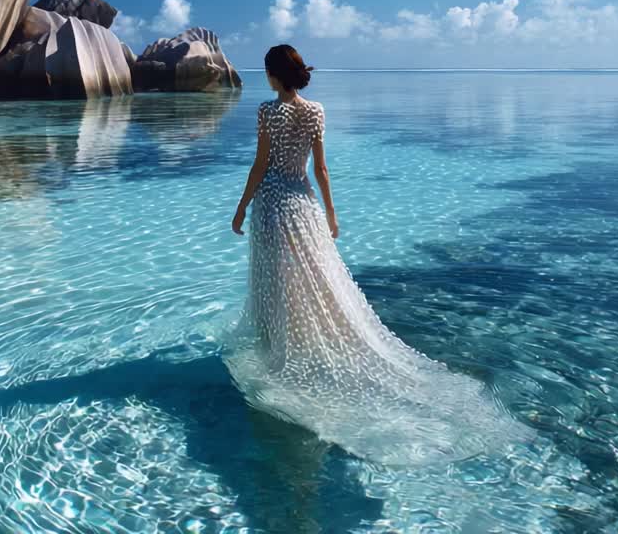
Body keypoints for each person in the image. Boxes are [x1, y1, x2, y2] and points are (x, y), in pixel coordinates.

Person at [226, 44, 527, 465]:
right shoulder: (315, 111)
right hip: (304, 203)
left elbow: (260, 164)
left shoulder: (266, 111)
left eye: (266, 71)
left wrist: (241, 206)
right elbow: (321, 169)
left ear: (274, 75)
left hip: (274, 206)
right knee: (315, 278)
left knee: (277, 280)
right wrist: (330, 213)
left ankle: (280, 352)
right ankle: (304, 346)